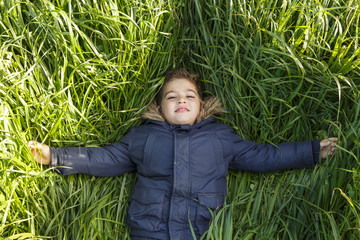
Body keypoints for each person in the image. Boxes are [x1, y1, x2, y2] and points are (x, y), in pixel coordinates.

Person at [28, 68, 338, 239]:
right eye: (171, 97)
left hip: (200, 229)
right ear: (160, 106)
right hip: (149, 229)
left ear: (201, 105)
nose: (181, 101)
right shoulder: (143, 136)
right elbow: (105, 158)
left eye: (190, 96)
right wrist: (55, 156)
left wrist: (310, 151)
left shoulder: (220, 137)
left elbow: (263, 156)